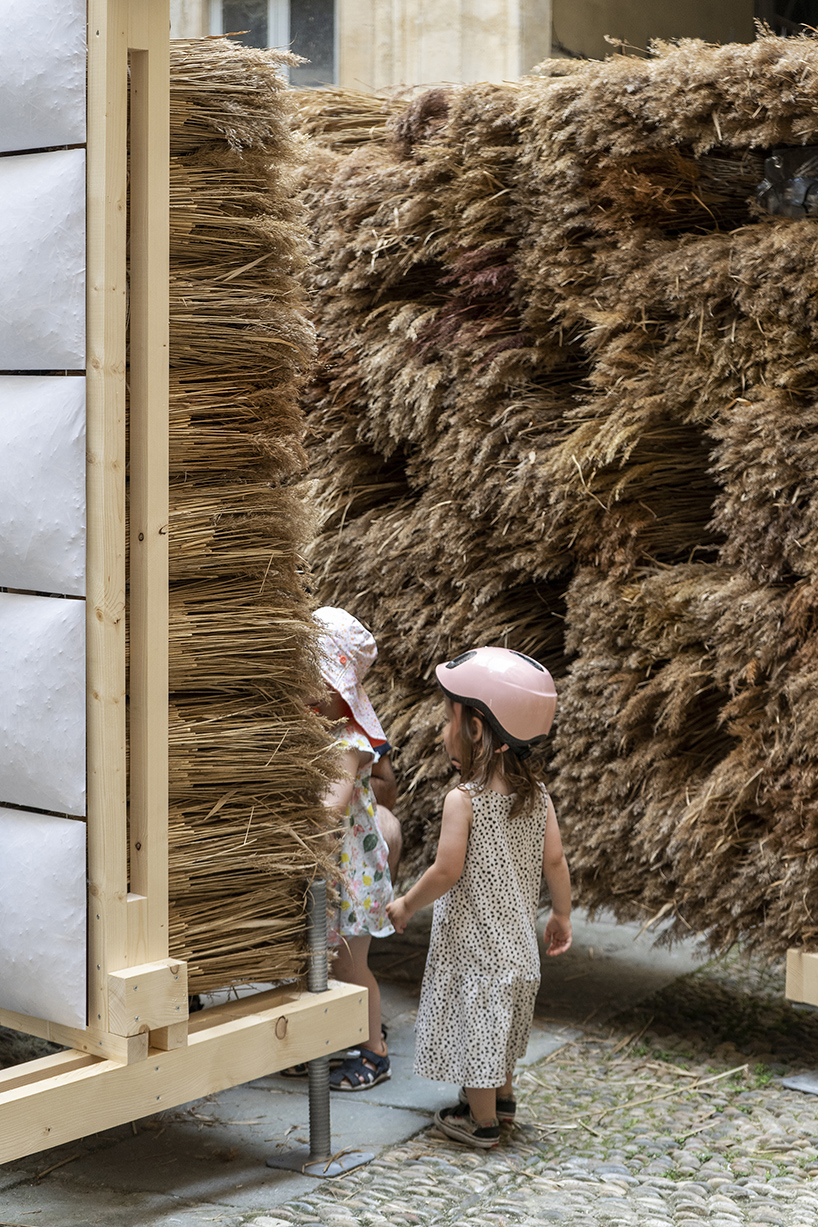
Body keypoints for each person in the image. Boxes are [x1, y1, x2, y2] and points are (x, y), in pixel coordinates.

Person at [386, 646, 572, 1148]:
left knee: (477, 1034)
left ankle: (482, 1123)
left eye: (449, 720)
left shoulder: (463, 801)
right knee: (500, 1030)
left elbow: (446, 870)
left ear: (475, 729)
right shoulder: (539, 797)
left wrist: (406, 903)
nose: (442, 732)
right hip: (517, 949)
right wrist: (561, 914)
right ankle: (502, 1102)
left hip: (476, 950)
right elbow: (556, 861)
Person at [313, 606, 397, 1090]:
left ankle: (373, 1051)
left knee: (350, 965)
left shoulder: (348, 739)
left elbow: (332, 805)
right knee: (320, 961)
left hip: (351, 875)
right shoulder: (318, 729)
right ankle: (320, 1043)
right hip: (332, 871)